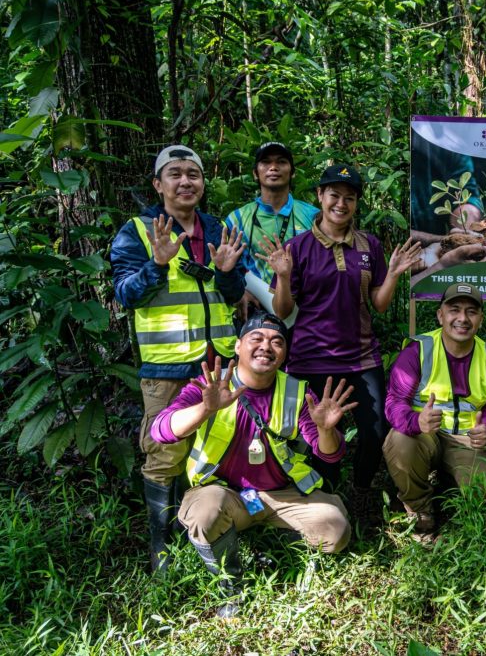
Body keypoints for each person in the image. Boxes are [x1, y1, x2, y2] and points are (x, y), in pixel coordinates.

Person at [150, 313, 355, 618]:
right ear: (237, 346)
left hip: (280, 495)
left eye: (276, 341)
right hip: (223, 495)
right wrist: (205, 408)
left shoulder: (297, 392)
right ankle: (231, 586)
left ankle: (276, 537)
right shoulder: (210, 387)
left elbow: (329, 455)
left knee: (336, 530)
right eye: (256, 338)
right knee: (206, 513)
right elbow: (162, 430)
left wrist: (326, 430)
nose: (266, 347)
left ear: (285, 353)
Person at [257, 164, 420, 525]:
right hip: (309, 360)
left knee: (376, 428)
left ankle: (361, 490)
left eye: (349, 197)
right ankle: (325, 495)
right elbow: (283, 310)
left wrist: (392, 274)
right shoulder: (297, 248)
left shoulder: (369, 246)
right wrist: (283, 276)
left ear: (356, 203)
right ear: (320, 197)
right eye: (334, 195)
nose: (341, 204)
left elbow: (378, 304)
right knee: (315, 433)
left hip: (360, 357)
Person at [111, 145, 246, 573]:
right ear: (158, 183)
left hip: (219, 362)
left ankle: (211, 529)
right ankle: (160, 543)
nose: (186, 181)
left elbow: (233, 293)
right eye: (175, 174)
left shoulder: (216, 227)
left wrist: (226, 273)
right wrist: (155, 264)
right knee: (164, 451)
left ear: (203, 182)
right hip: (167, 365)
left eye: (193, 174)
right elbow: (124, 295)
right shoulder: (137, 230)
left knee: (219, 447)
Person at [383, 283, 486, 542]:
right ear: (441, 315)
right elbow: (394, 402)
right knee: (400, 442)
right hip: (424, 435)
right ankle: (419, 512)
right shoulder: (418, 351)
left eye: (471, 312)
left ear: (481, 319)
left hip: (466, 441)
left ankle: (448, 487)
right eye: (454, 310)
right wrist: (415, 420)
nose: (462, 319)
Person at [225, 142, 319, 317]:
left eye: (281, 162)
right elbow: (228, 266)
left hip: (305, 313)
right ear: (255, 173)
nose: (273, 167)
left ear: (292, 172)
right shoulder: (237, 218)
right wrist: (239, 292)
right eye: (266, 162)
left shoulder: (313, 216)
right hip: (256, 313)